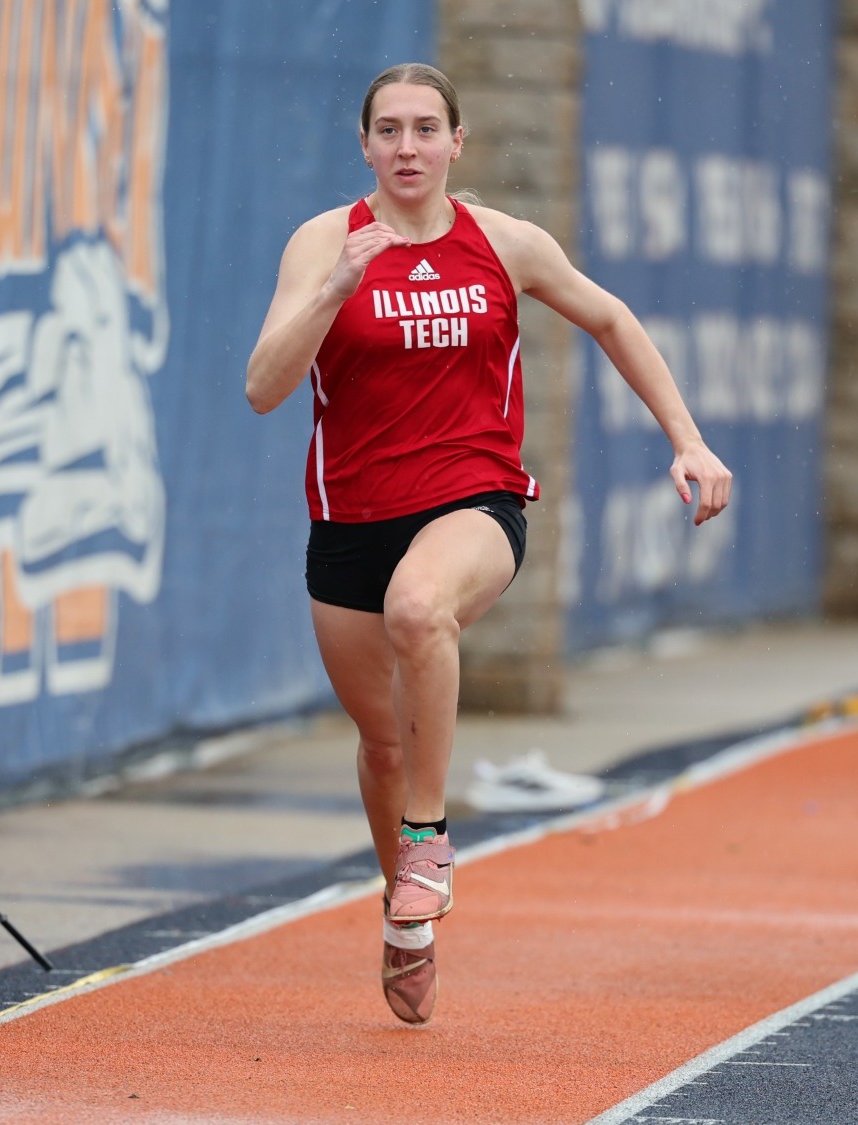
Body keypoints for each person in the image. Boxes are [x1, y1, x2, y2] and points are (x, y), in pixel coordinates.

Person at [245, 64, 732, 1024]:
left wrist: (689, 439)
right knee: (383, 745)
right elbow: (264, 386)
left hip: (475, 503)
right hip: (349, 522)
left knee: (421, 607)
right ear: (365, 145)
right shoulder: (323, 242)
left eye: (427, 129)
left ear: (457, 142)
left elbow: (610, 316)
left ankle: (428, 841)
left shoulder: (503, 242)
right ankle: (406, 918)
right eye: (389, 130)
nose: (408, 147)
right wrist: (335, 286)